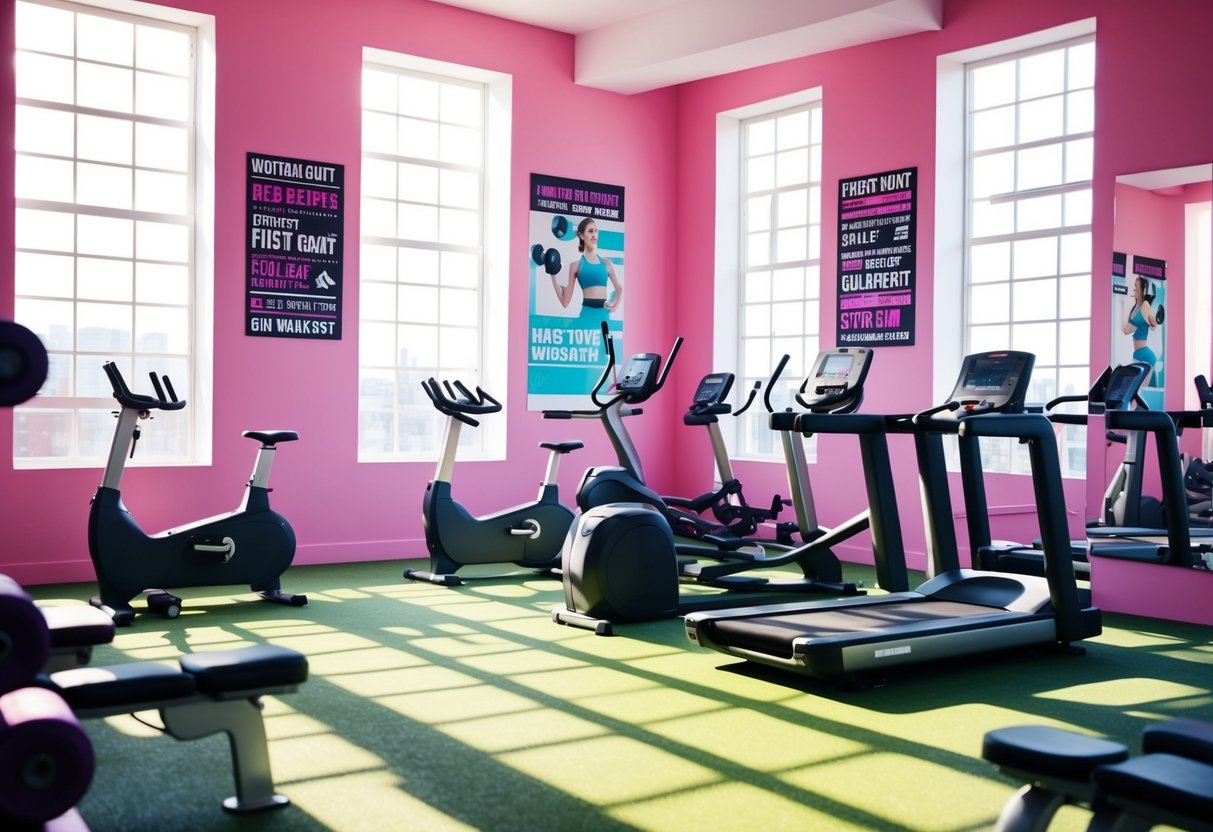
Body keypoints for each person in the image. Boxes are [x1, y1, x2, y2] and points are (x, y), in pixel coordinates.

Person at [551, 218, 623, 321]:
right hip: (586, 316)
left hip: (604, 317)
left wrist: (614, 306)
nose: (594, 234)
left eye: (596, 231)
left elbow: (619, 289)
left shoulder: (607, 263)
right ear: (581, 236)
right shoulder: (575, 266)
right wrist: (552, 274)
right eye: (590, 231)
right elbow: (565, 302)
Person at [1122, 275, 1160, 385]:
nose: (1134, 288)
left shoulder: (1145, 305)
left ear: (1142, 289)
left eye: (1136, 286)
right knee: (1133, 389)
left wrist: (1153, 323)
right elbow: (1127, 330)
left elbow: (1152, 327)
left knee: (1139, 390)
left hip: (1146, 355)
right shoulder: (1135, 308)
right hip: (1137, 354)